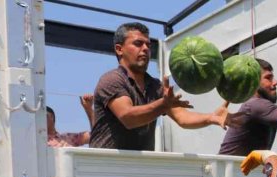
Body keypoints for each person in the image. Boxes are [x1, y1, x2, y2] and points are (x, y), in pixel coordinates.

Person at [90, 22, 228, 151]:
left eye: (148, 45)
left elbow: (182, 117)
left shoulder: (155, 86)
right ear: (119, 49)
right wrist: (163, 104)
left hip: (138, 168)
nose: (145, 49)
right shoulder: (112, 80)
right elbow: (128, 117)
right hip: (104, 166)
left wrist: (211, 117)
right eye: (138, 44)